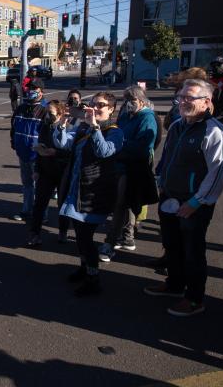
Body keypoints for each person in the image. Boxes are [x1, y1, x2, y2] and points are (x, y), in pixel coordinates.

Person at [144, 79, 223, 317]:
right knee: (172, 246)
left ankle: (194, 299)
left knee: (193, 252)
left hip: (194, 204)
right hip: (170, 197)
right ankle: (174, 285)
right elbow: (168, 158)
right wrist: (161, 181)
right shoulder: (178, 125)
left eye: (189, 98)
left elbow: (218, 172)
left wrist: (196, 202)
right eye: (181, 97)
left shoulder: (215, 132)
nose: (182, 102)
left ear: (206, 102)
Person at [53, 92, 124, 297]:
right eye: (92, 104)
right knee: (80, 237)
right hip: (76, 190)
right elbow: (63, 144)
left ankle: (94, 279)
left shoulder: (114, 132)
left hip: (95, 193)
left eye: (100, 105)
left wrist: (94, 127)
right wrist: (63, 122)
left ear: (111, 109)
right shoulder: (83, 126)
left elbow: (104, 151)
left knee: (86, 237)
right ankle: (84, 268)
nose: (94, 108)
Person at [100, 86, 159, 262]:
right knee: (126, 203)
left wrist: (120, 145)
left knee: (121, 205)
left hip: (133, 168)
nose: (127, 104)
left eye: (131, 100)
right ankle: (127, 237)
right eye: (125, 100)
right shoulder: (126, 114)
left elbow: (143, 147)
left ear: (141, 101)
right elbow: (116, 132)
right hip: (118, 165)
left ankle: (109, 244)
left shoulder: (148, 118)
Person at [28, 100, 70, 246]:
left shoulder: (68, 127)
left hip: (63, 172)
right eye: (46, 112)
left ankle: (63, 231)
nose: (47, 115)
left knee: (62, 204)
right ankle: (35, 234)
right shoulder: (45, 126)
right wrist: (37, 169)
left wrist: (56, 153)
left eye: (50, 113)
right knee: (39, 204)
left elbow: (71, 152)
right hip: (46, 172)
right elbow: (41, 149)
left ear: (60, 113)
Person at [10, 78, 47, 221]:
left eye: (35, 88)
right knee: (26, 184)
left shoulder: (45, 110)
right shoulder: (21, 108)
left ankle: (41, 214)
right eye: (30, 88)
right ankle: (26, 210)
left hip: (38, 155)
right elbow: (14, 128)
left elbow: (48, 134)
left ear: (41, 91)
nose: (31, 91)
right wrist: (14, 143)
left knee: (40, 186)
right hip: (23, 153)